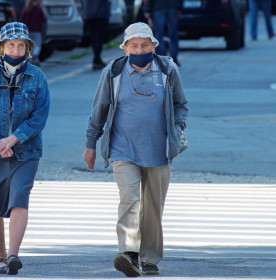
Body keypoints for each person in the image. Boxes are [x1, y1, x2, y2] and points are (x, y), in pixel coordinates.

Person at [83, 22, 188, 277]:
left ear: (154, 45)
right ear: (125, 48)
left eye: (145, 45)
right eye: (134, 45)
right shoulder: (113, 72)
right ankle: (129, 254)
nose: (140, 49)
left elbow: (181, 104)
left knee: (153, 207)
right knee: (129, 198)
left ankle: (149, 259)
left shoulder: (167, 70)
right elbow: (100, 109)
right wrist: (91, 144)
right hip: (123, 149)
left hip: (159, 151)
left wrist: (177, 127)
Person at [0, 22, 50, 275]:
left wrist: (14, 139)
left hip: (26, 150)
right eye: (11, 44)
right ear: (1, 47)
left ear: (27, 48)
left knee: (19, 198)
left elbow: (40, 115)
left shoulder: (37, 76)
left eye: (21, 45)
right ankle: (0, 257)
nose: (16, 49)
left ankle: (14, 254)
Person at [144, 0, 184, 66]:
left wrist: (147, 9)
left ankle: (160, 61)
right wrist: (179, 8)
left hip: (158, 7)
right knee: (173, 35)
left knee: (159, 35)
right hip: (173, 6)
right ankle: (174, 60)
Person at [82, 0, 110, 70]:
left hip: (89, 14)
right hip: (101, 14)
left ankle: (98, 60)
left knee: (94, 37)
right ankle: (96, 60)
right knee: (99, 37)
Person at [21, 0, 47, 66]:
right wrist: (44, 32)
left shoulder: (25, 9)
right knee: (37, 45)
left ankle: (30, 60)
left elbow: (22, 21)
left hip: (28, 32)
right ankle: (36, 55)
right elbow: (43, 21)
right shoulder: (39, 9)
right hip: (37, 31)